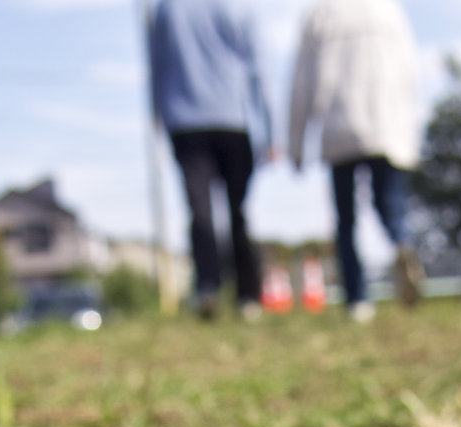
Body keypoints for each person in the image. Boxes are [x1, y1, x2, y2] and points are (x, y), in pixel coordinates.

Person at [287, 0, 425, 323]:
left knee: (346, 220)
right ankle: (401, 241)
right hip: (387, 124)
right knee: (390, 204)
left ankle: (358, 300)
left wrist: (296, 143)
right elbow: (409, 71)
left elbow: (302, 81)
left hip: (340, 125)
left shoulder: (320, 14)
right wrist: (412, 137)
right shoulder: (387, 9)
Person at [147, 0, 273, 318]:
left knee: (199, 210)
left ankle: (208, 287)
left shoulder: (167, 8)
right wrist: (272, 130)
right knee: (237, 212)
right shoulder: (237, 7)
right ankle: (247, 296)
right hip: (234, 122)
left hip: (185, 124)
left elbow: (157, 68)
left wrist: (158, 121)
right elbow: (259, 67)